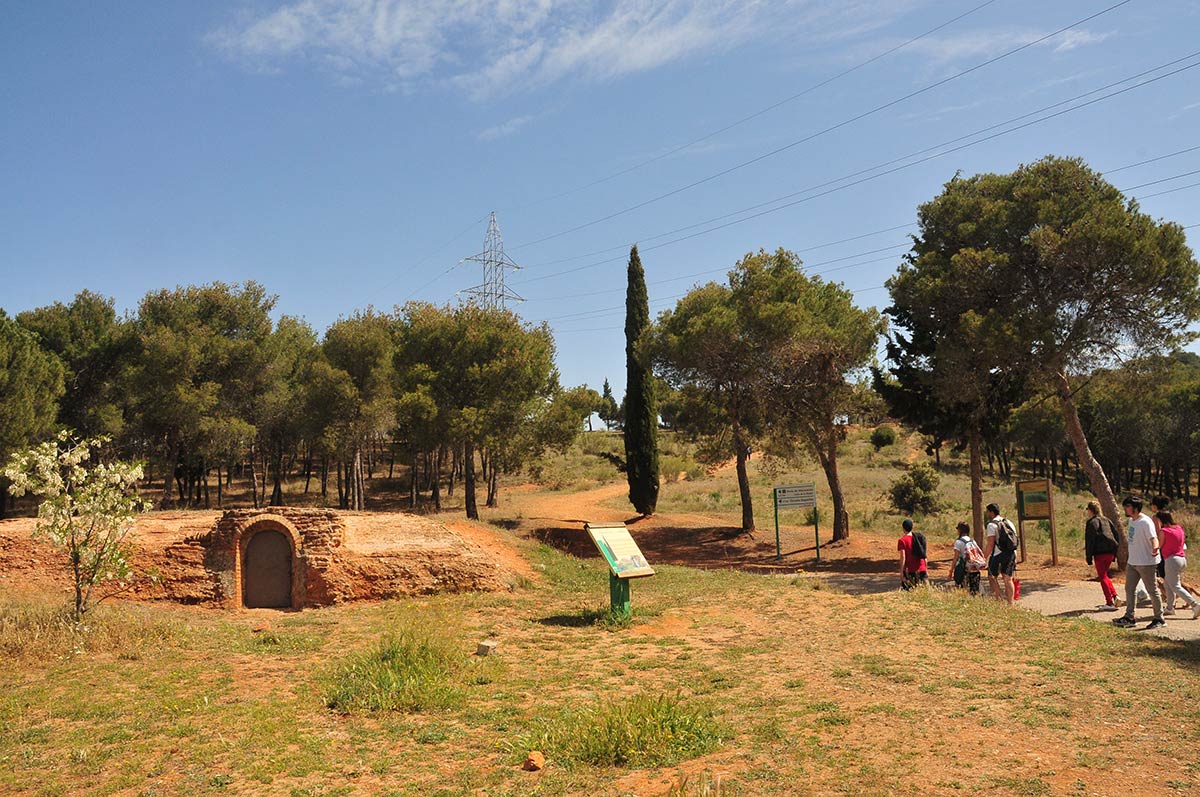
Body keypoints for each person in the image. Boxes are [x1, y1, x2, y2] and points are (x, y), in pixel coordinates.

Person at [1112, 495, 1164, 630]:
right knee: (1129, 589)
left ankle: (1159, 619)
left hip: (1146, 562)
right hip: (1133, 562)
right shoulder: (1132, 521)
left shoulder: (1145, 522)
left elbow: (1154, 538)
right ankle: (1129, 617)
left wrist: (1156, 548)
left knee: (1152, 590)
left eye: (1127, 506)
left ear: (1135, 508)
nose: (1125, 508)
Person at [1157, 510, 1200, 620]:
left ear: (1161, 520)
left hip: (1171, 560)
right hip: (1181, 559)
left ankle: (1195, 605)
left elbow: (1159, 545)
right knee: (1167, 583)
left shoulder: (1164, 531)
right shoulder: (1179, 528)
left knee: (1175, 586)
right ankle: (1170, 608)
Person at [1084, 501, 1120, 609]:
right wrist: (1115, 553)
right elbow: (1116, 535)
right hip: (1110, 551)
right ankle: (1115, 596)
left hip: (1099, 553)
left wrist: (1089, 557)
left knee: (1102, 577)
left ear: (1090, 510)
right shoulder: (1107, 520)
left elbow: (1090, 541)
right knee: (1105, 575)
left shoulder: (1091, 522)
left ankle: (1109, 603)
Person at [984, 503, 1016, 605]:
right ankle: (1010, 603)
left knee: (991, 576)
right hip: (1011, 553)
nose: (987, 514)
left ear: (991, 512)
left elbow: (990, 544)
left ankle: (999, 600)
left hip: (998, 554)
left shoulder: (991, 525)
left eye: (988, 512)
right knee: (1008, 579)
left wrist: (984, 558)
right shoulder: (1009, 522)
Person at [950, 521, 983, 595]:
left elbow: (955, 558)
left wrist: (951, 571)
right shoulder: (972, 541)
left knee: (963, 590)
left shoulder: (958, 542)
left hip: (965, 569)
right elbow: (980, 552)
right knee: (974, 592)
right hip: (975, 568)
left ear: (960, 530)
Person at [897, 518, 927, 590]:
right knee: (921, 592)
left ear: (903, 528)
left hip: (910, 570)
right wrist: (926, 569)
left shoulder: (902, 540)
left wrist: (901, 572)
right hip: (922, 568)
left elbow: (903, 557)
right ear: (912, 527)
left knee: (908, 591)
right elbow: (924, 555)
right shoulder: (919, 538)